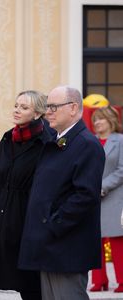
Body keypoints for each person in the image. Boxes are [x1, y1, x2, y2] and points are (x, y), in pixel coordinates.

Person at [18, 85, 105, 300]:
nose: (48, 112)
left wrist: (52, 224)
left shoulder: (87, 144)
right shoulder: (56, 141)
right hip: (49, 245)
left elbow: (85, 195)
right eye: (48, 107)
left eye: (54, 107)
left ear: (74, 108)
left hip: (67, 247)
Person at [0, 90, 51, 300]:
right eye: (16, 105)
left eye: (24, 107)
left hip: (25, 225)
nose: (17, 110)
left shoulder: (46, 143)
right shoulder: (7, 138)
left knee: (30, 288)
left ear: (37, 114)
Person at [89, 106, 123, 293]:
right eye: (94, 119)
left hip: (115, 197)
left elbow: (122, 170)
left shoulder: (121, 141)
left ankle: (121, 281)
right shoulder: (90, 142)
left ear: (111, 120)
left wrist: (102, 187)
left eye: (100, 119)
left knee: (117, 241)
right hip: (92, 198)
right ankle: (97, 280)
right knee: (94, 240)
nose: (96, 123)